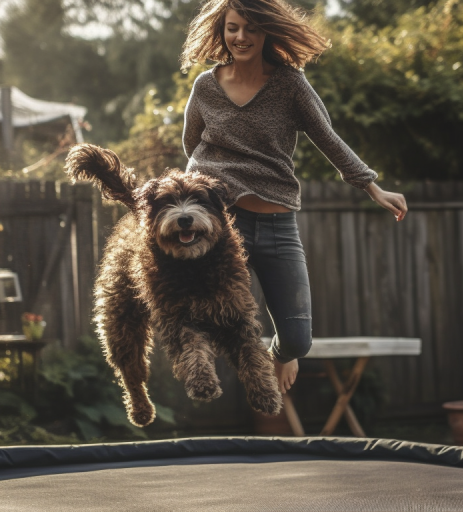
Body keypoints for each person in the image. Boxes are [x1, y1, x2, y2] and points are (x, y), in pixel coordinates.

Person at [179, 0, 408, 395]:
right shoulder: (206, 86)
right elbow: (191, 145)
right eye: (233, 27)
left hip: (277, 224)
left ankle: (280, 354)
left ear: (267, 31)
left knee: (299, 340)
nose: (241, 37)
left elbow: (327, 139)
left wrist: (371, 185)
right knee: (209, 317)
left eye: (251, 28)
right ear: (222, 30)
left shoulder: (289, 84)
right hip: (224, 226)